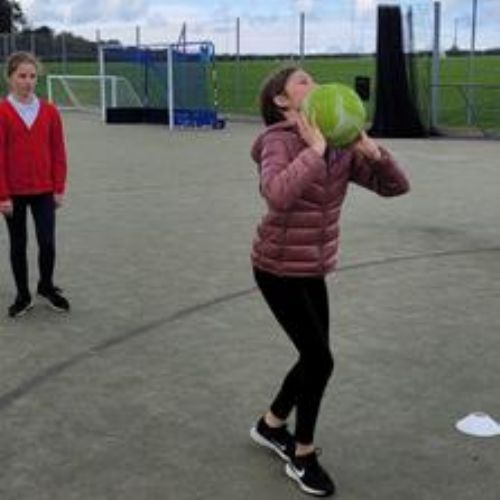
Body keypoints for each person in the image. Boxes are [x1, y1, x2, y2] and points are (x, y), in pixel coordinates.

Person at [249, 66, 410, 497]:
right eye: (301, 81)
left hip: (312, 266)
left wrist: (373, 153)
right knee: (320, 359)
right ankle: (302, 454)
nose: (313, 85)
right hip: (276, 267)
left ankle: (270, 424)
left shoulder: (340, 148)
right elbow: (277, 194)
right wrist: (315, 149)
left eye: (313, 79)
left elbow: (396, 188)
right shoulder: (277, 141)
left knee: (313, 356)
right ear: (282, 101)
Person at [0, 51, 70, 318]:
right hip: (13, 194)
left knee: (47, 242)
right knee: (18, 244)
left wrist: (58, 188)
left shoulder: (50, 111)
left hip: (44, 191)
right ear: (10, 78)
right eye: (22, 76)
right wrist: (3, 195)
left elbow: (58, 152)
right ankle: (23, 295)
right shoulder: (3, 112)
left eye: (32, 76)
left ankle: (46, 286)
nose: (28, 82)